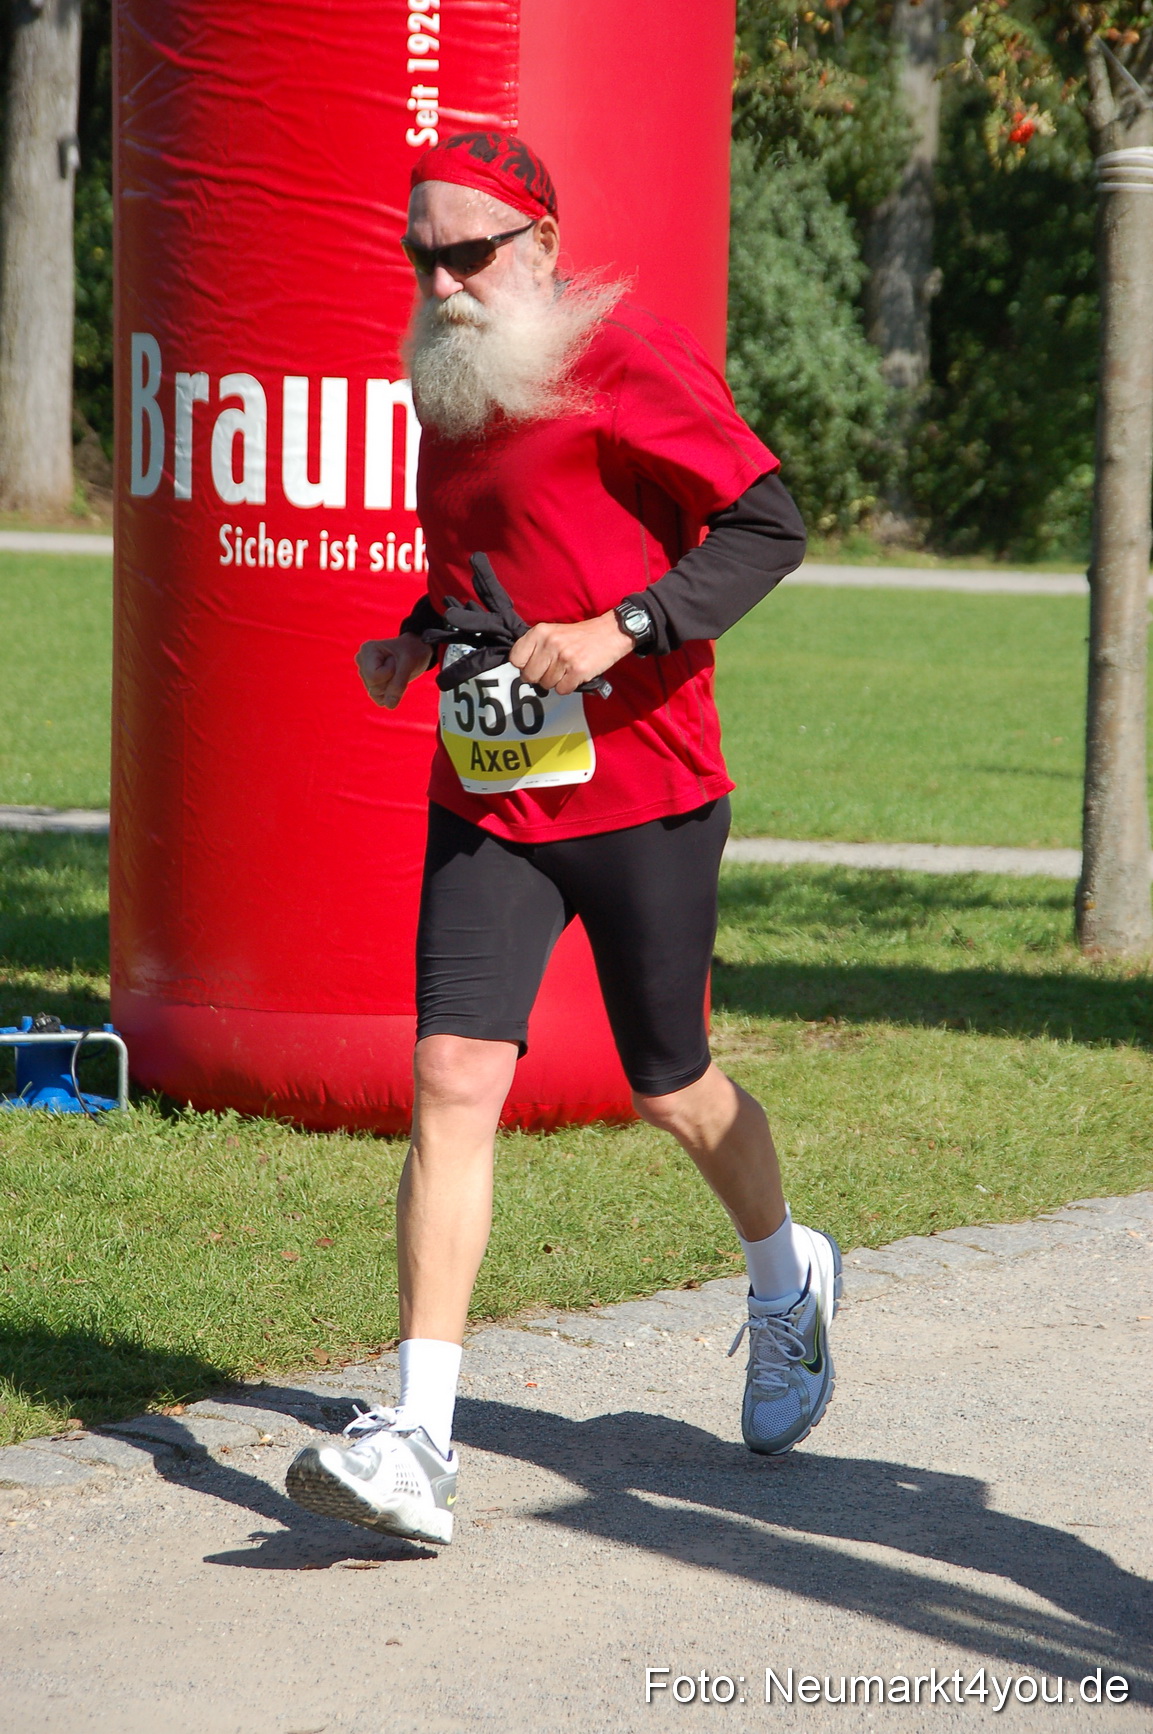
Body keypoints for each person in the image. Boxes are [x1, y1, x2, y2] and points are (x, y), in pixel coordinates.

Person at [286, 131, 841, 1547]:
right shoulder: (451, 379)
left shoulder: (622, 356)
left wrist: (623, 628)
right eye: (420, 255)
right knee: (452, 1069)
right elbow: (487, 555)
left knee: (672, 1085)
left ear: (534, 241)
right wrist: (428, 637)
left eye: (465, 253)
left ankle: (785, 1281)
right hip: (492, 787)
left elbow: (767, 524)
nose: (441, 279)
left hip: (647, 784)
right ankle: (417, 1434)